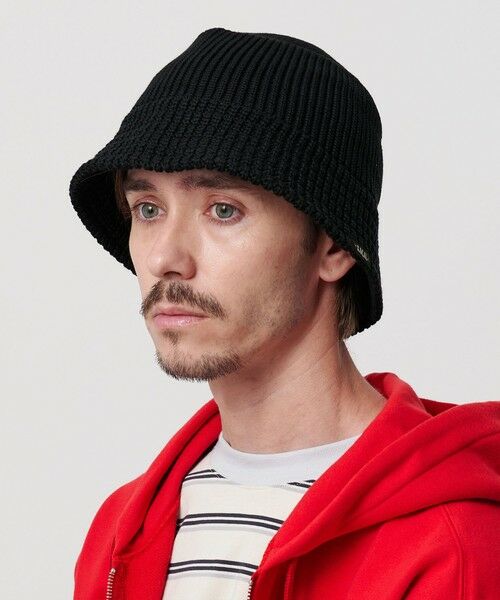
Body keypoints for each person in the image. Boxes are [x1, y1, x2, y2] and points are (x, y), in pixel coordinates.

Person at [69, 27, 500, 600]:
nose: (165, 258)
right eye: (148, 209)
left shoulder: (452, 543)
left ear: (333, 246)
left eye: (223, 210)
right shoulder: (120, 531)